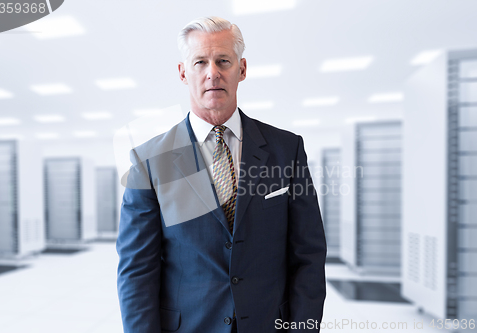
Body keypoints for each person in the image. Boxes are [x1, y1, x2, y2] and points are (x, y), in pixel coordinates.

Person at [116, 16, 327, 333]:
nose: (212, 72)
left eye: (223, 61)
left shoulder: (287, 150)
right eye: (200, 62)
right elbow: (136, 272)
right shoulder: (148, 161)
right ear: (183, 73)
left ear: (242, 69)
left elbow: (308, 255)